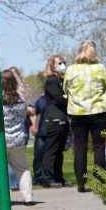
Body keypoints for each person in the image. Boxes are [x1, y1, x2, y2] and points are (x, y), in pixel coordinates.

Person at [64, 39, 106, 192]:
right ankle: (100, 180)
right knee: (99, 147)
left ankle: (81, 183)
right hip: (98, 111)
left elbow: (66, 89)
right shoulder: (100, 68)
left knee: (80, 147)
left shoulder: (71, 70)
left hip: (77, 113)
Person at [0, 68, 34, 204]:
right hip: (17, 139)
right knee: (22, 168)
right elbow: (23, 116)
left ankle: (3, 197)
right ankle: (28, 196)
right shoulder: (21, 100)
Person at [39, 53, 69, 187]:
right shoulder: (51, 81)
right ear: (52, 66)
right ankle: (48, 179)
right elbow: (59, 99)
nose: (63, 65)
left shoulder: (62, 81)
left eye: (63, 62)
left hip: (63, 118)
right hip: (54, 119)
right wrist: (65, 97)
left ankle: (59, 177)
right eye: (59, 63)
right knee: (51, 151)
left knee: (59, 152)